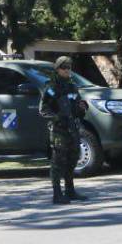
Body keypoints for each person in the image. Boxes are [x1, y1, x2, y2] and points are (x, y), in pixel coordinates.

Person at [39, 56, 88, 204]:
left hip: (72, 128)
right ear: (57, 69)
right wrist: (56, 117)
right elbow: (43, 109)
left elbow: (78, 105)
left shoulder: (72, 86)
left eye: (69, 67)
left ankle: (70, 190)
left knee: (73, 159)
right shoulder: (51, 88)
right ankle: (57, 194)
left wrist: (82, 107)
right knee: (58, 162)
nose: (67, 70)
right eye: (64, 67)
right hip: (59, 129)